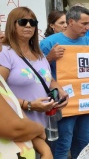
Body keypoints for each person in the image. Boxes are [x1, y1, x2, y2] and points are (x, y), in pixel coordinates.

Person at [40, 6, 89, 159]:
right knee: (63, 143)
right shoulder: (48, 43)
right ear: (71, 21)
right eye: (84, 24)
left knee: (84, 142)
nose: (87, 27)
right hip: (62, 101)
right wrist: (50, 58)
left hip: (86, 100)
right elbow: (35, 71)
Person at [0, 7, 68, 128]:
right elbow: (1, 94)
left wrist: (61, 92)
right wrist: (29, 105)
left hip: (44, 125)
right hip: (18, 127)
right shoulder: (4, 53)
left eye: (32, 22)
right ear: (12, 24)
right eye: (22, 22)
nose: (28, 25)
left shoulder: (38, 54)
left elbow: (49, 79)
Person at [0, 24, 53, 159]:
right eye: (23, 22)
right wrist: (39, 130)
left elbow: (15, 111)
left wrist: (44, 148)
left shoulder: (38, 54)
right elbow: (15, 127)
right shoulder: (7, 55)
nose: (2, 35)